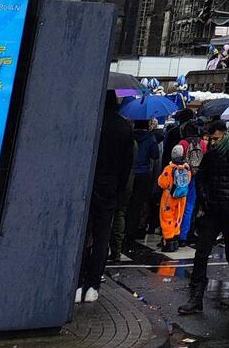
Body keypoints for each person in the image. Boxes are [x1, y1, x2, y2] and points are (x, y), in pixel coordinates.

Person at [179, 118, 229, 315]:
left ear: (224, 135)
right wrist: (205, 199)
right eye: (210, 139)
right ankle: (196, 296)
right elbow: (201, 178)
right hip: (213, 210)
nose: (212, 142)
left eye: (215, 138)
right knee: (201, 252)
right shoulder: (211, 155)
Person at [77, 92, 134, 304]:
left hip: (87, 184)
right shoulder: (124, 127)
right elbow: (127, 165)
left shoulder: (91, 121)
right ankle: (93, 285)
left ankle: (77, 282)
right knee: (102, 237)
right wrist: (119, 189)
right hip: (109, 188)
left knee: (83, 234)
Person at [122, 120, 162, 254]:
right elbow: (155, 155)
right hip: (144, 173)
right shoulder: (150, 138)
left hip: (129, 171)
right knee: (138, 203)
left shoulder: (130, 136)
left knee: (126, 202)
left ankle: (122, 229)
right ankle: (133, 231)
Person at [158, 144, 192, 253]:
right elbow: (188, 181)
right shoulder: (187, 168)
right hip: (182, 197)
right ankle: (175, 238)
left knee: (167, 217)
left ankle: (168, 240)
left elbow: (163, 183)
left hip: (169, 196)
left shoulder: (169, 168)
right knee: (178, 217)